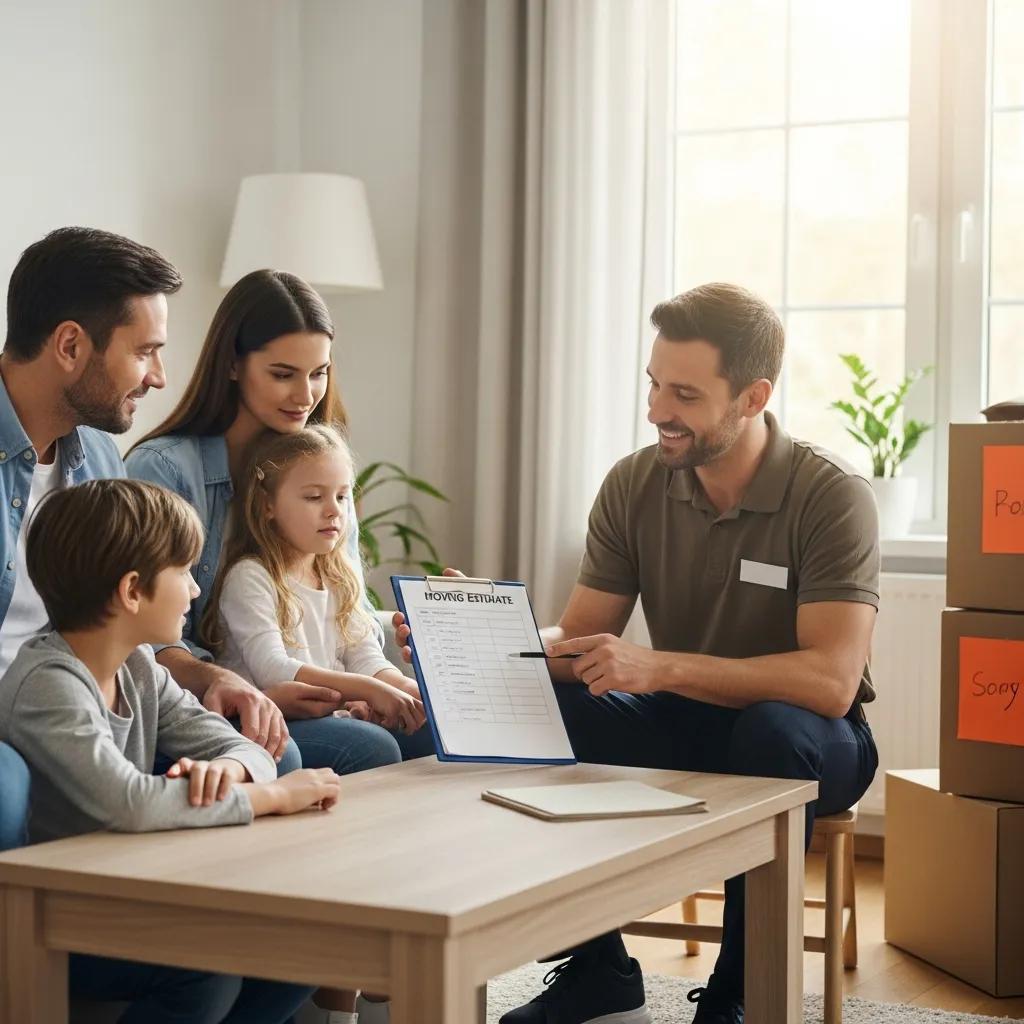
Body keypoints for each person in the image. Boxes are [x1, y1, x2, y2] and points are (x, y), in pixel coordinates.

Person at [394, 283, 880, 1024]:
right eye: (654, 384)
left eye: (684, 394)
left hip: (814, 741)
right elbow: (578, 642)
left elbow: (830, 682)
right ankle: (600, 973)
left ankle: (739, 996)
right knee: (548, 703)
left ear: (753, 397)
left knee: (772, 731)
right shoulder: (634, 482)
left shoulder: (831, 495)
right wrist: (477, 629)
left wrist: (660, 667)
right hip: (680, 718)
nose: (656, 410)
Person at [0, 478, 341, 1023]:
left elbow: (245, 746)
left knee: (305, 944)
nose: (196, 589)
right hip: (56, 914)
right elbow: (130, 803)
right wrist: (272, 797)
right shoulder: (49, 683)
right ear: (133, 591)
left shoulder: (138, 667)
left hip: (128, 886)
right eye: (183, 572)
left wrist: (227, 769)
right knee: (206, 968)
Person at [125, 270, 435, 777]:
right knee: (367, 748)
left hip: (307, 695)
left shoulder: (321, 466)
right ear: (232, 364)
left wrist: (376, 687)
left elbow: (349, 614)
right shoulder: (165, 468)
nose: (305, 394)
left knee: (427, 728)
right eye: (283, 374)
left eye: (319, 373)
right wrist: (244, 688)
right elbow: (146, 637)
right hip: (201, 698)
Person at [0, 226, 182, 851]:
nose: (159, 377)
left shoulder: (101, 455)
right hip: (30, 711)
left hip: (80, 702)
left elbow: (126, 605)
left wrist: (208, 680)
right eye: (146, 351)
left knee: (282, 751)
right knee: (5, 789)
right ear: (71, 345)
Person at [203, 425, 426, 746]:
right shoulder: (250, 577)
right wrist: (368, 690)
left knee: (429, 729)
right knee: (374, 746)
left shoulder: (339, 577)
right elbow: (273, 669)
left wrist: (407, 689)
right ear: (267, 505)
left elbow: (366, 659)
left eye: (342, 496)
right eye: (314, 497)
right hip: (271, 720)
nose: (334, 510)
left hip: (330, 714)